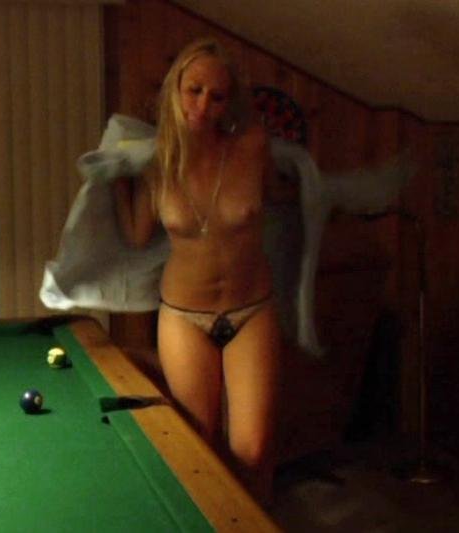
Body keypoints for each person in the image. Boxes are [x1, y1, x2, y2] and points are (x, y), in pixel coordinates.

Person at [112, 37, 283, 505]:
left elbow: (281, 200)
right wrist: (113, 182)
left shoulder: (253, 146)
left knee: (253, 448)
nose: (203, 105)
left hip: (252, 310)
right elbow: (137, 236)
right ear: (175, 89)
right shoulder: (156, 161)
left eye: (217, 96)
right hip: (184, 316)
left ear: (230, 103)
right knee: (199, 445)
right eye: (194, 90)